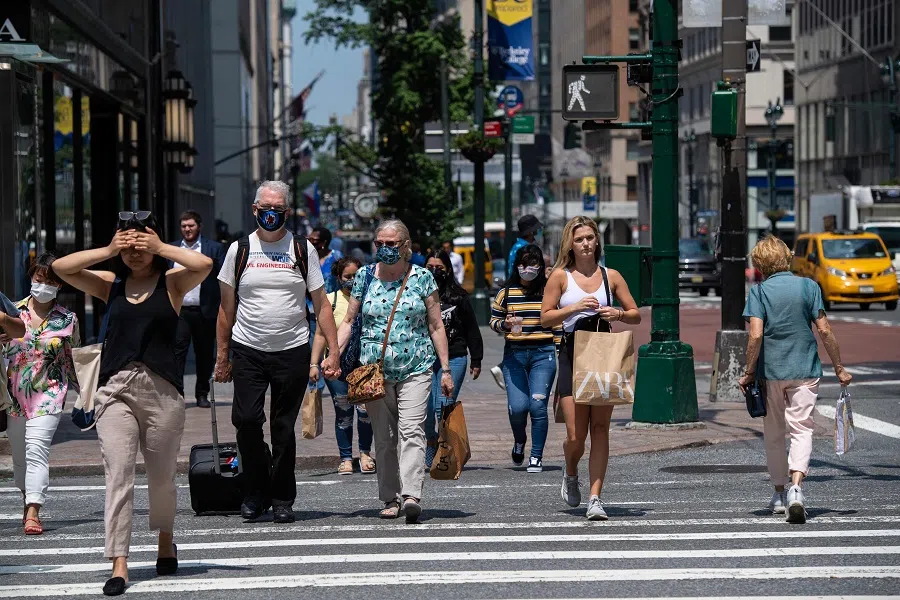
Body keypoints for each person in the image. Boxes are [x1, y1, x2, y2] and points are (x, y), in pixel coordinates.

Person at [52, 211, 212, 596]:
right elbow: (61, 267)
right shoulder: (111, 283)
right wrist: (108, 249)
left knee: (161, 478)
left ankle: (164, 540)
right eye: (128, 245)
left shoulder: (172, 283)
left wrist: (159, 246)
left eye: (140, 244)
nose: (135, 253)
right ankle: (119, 562)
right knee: (118, 474)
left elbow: (204, 263)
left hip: (162, 391)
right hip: (115, 389)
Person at [215, 181, 341, 525]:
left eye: (279, 209)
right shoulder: (239, 250)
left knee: (283, 428)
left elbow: (321, 303)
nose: (272, 214)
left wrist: (333, 351)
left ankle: (282, 497)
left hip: (292, 349)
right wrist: (222, 356)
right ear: (255, 210)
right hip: (248, 348)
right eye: (266, 208)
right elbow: (226, 308)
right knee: (246, 421)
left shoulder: (302, 249)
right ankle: (255, 490)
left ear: (287, 212)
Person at [337, 220, 453, 524]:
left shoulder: (422, 278)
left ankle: (412, 495)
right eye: (380, 244)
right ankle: (389, 497)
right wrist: (332, 355)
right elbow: (349, 321)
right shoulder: (364, 277)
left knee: (412, 430)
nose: (385, 249)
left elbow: (436, 325)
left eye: (391, 244)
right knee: (384, 437)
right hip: (374, 373)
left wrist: (446, 368)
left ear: (406, 245)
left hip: (415, 367)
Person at [738, 235, 852, 524]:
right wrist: (839, 367)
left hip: (771, 372)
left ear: (760, 264)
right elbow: (824, 330)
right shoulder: (809, 286)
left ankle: (778, 493)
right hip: (805, 368)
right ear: (787, 257)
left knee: (774, 433)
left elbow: (755, 334)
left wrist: (749, 371)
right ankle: (797, 489)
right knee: (802, 429)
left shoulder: (759, 292)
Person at [541, 215, 641, 521]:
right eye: (579, 238)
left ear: (597, 241)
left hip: (603, 354)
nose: (585, 243)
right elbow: (545, 318)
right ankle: (570, 471)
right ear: (570, 244)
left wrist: (619, 313)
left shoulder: (611, 276)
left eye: (589, 238)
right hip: (572, 353)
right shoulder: (560, 276)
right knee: (575, 436)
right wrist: (572, 308)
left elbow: (636, 313)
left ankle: (596, 497)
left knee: (600, 429)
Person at [2, 254, 79, 536]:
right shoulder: (11, 311)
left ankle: (33, 509)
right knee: (20, 456)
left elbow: (75, 359)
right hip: (14, 394)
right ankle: (26, 499)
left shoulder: (68, 319)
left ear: (59, 285)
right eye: (39, 279)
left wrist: (85, 396)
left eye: (50, 282)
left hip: (50, 392)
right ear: (30, 278)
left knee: (37, 450)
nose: (43, 285)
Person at [490, 245, 560, 474]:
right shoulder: (506, 292)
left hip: (543, 352)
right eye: (522, 264)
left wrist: (560, 350)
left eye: (532, 264)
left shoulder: (550, 291)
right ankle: (519, 440)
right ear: (516, 266)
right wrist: (504, 325)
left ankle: (536, 456)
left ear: (540, 266)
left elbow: (558, 322)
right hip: (515, 354)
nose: (527, 269)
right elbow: (494, 321)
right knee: (518, 408)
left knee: (538, 405)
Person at [310, 256, 375, 475]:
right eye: (348, 276)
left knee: (365, 411)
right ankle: (346, 458)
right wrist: (314, 364)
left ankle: (365, 454)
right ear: (339, 278)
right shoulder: (330, 301)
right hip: (336, 368)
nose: (352, 280)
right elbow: (319, 335)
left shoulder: (371, 299)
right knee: (344, 412)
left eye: (357, 276)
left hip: (364, 366)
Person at [423, 250, 484, 467]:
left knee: (443, 405)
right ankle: (430, 447)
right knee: (426, 410)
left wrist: (476, 359)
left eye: (439, 268)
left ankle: (448, 450)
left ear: (448, 270)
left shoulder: (458, 296)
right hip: (426, 359)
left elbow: (472, 329)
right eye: (430, 267)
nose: (434, 271)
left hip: (455, 357)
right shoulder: (417, 294)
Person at [170, 210, 226, 408]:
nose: (187, 229)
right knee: (178, 353)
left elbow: (224, 279)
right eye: (184, 226)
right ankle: (177, 394)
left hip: (205, 311)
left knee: (204, 355)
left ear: (199, 226)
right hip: (180, 312)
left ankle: (202, 394)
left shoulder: (214, 248)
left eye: (191, 225)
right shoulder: (172, 249)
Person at [507, 215, 543, 279]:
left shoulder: (517, 246)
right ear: (530, 232)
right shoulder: (526, 249)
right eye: (538, 229)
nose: (540, 230)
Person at [308, 226, 344, 293]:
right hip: (310, 301)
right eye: (309, 239)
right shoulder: (307, 257)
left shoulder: (336, 256)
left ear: (323, 242)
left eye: (314, 240)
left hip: (331, 300)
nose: (310, 242)